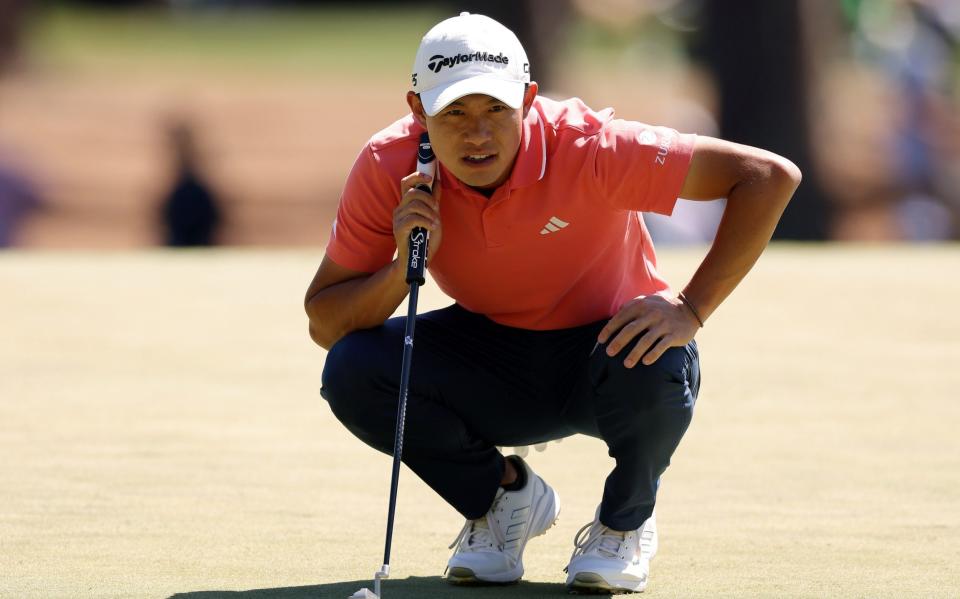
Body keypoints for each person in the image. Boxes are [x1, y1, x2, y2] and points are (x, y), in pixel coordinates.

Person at [305, 12, 800, 594]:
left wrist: (690, 308)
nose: (477, 134)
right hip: (488, 355)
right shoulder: (389, 165)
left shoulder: (591, 147)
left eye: (496, 109)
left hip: (608, 354)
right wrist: (401, 267)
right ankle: (502, 498)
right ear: (418, 111)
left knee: (659, 353)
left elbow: (767, 176)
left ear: (529, 99)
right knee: (354, 370)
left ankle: (623, 525)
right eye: (454, 113)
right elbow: (326, 322)